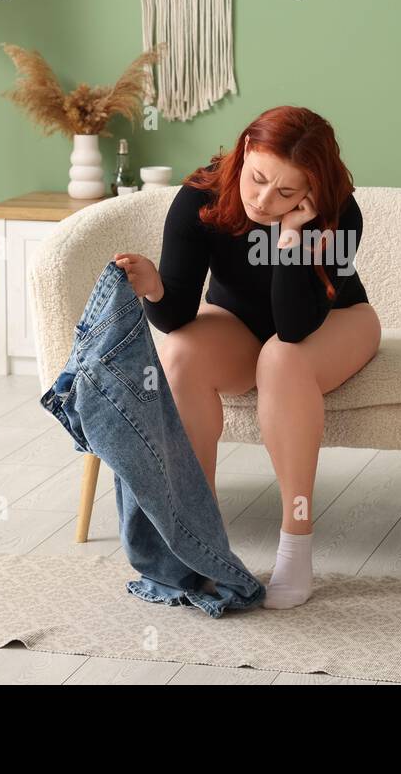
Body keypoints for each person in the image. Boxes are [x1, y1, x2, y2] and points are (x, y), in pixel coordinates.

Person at [112, 106, 381, 609]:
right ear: (244, 152)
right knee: (181, 351)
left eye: (285, 192)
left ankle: (295, 545)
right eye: (257, 179)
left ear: (312, 190)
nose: (262, 199)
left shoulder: (340, 213)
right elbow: (176, 316)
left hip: (336, 323)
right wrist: (152, 285)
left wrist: (291, 240)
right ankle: (202, 541)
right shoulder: (200, 196)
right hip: (236, 325)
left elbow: (296, 326)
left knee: (281, 358)